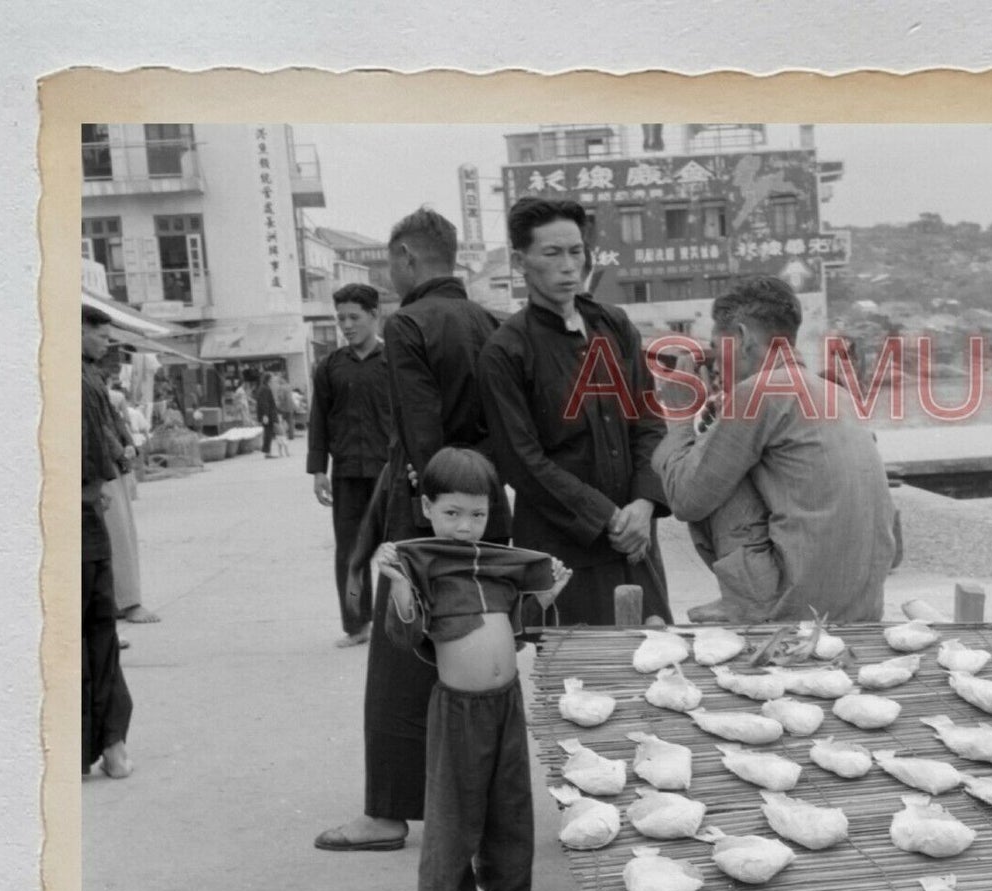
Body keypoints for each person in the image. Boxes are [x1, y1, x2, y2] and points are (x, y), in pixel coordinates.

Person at [315, 206, 503, 852]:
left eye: (389, 264)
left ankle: (387, 812)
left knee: (399, 663)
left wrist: (424, 521)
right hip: (484, 509)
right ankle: (480, 809)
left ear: (405, 258)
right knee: (475, 660)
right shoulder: (487, 321)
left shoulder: (411, 326)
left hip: (427, 511)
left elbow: (420, 437)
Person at [376, 448, 570, 891]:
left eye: (478, 514)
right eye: (452, 513)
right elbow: (406, 636)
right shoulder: (422, 568)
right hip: (458, 707)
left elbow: (516, 629)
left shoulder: (499, 565)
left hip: (505, 699)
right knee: (456, 807)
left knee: (510, 799)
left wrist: (543, 598)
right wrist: (398, 586)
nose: (465, 528)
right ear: (427, 509)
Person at [653, 275, 898, 623]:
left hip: (796, 610)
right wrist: (723, 424)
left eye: (715, 348)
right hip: (862, 606)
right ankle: (754, 596)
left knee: (705, 471)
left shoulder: (758, 391)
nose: (715, 364)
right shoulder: (835, 394)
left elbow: (687, 500)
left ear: (740, 337)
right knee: (726, 454)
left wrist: (680, 416)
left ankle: (748, 604)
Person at [478, 196, 673, 626]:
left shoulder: (614, 324)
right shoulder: (506, 351)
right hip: (567, 553)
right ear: (520, 261)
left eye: (576, 251)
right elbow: (522, 462)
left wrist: (643, 504)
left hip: (636, 542)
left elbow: (649, 420)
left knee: (657, 664)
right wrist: (606, 518)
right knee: (582, 682)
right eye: (552, 253)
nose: (569, 266)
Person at [307, 282, 391, 647]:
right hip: (346, 475)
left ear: (375, 315)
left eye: (354, 317)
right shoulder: (329, 367)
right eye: (341, 318)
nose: (347, 325)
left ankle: (403, 622)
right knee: (351, 554)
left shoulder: (395, 362)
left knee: (398, 549)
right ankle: (358, 626)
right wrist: (317, 471)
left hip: (389, 472)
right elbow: (319, 419)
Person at [80, 305, 133, 779]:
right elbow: (95, 446)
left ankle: (98, 745)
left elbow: (106, 435)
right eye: (96, 332)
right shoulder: (78, 381)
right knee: (96, 631)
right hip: (80, 510)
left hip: (85, 506)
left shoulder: (90, 378)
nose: (104, 340)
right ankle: (110, 743)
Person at [102, 376, 160, 625]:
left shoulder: (102, 390)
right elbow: (99, 427)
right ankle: (125, 601)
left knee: (120, 535)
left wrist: (126, 447)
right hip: (100, 465)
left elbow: (113, 422)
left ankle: (123, 600)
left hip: (111, 462)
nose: (105, 343)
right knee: (114, 537)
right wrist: (119, 449)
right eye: (100, 335)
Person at [256, 371, 278, 457]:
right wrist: (265, 415)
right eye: (272, 378)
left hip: (268, 413)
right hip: (268, 414)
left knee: (268, 432)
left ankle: (267, 451)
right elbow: (264, 403)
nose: (273, 380)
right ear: (269, 379)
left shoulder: (264, 388)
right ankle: (267, 452)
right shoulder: (265, 389)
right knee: (268, 433)